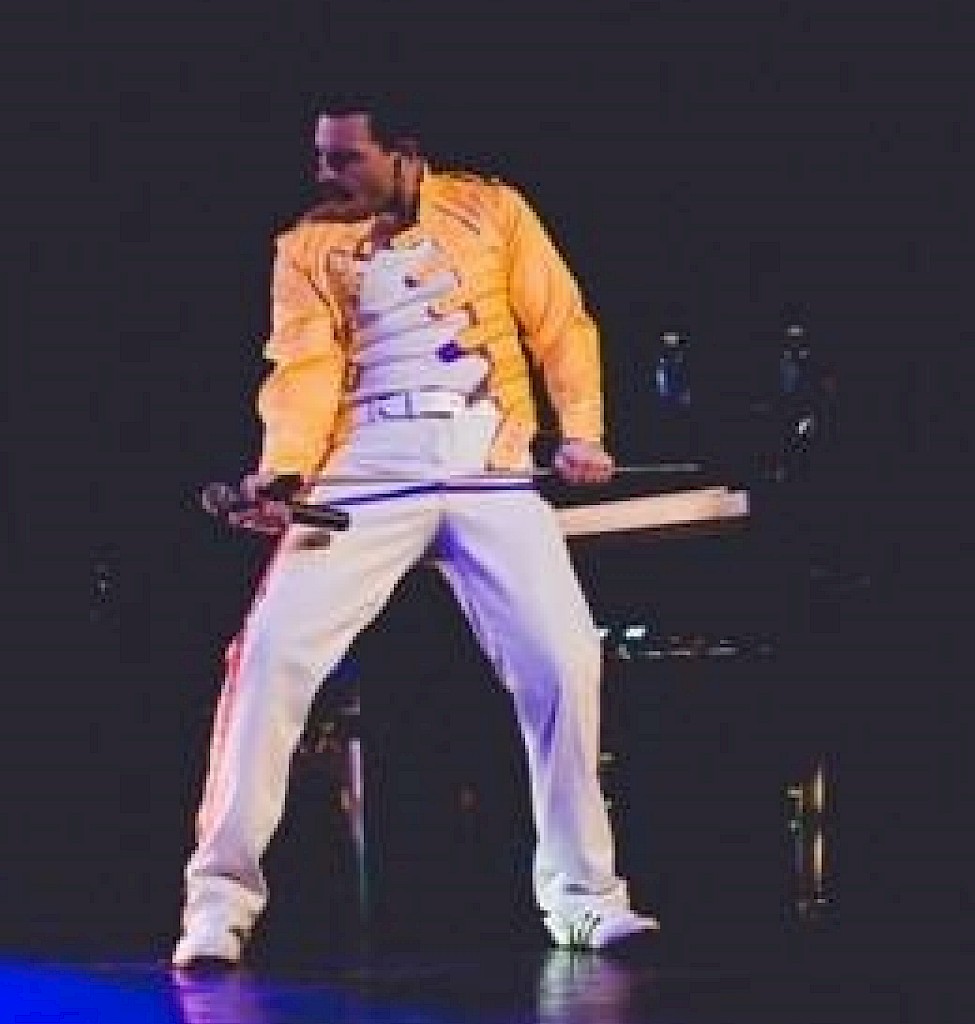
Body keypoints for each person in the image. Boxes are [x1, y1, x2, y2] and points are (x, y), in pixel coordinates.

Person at [171, 97, 659, 968]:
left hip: (488, 458)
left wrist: (582, 433)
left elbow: (560, 324)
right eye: (321, 156)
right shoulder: (306, 246)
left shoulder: (491, 210)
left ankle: (586, 898)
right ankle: (217, 906)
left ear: (403, 152)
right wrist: (284, 474)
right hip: (364, 467)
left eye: (345, 157)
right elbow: (303, 369)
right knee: (269, 656)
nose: (325, 174)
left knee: (564, 659)